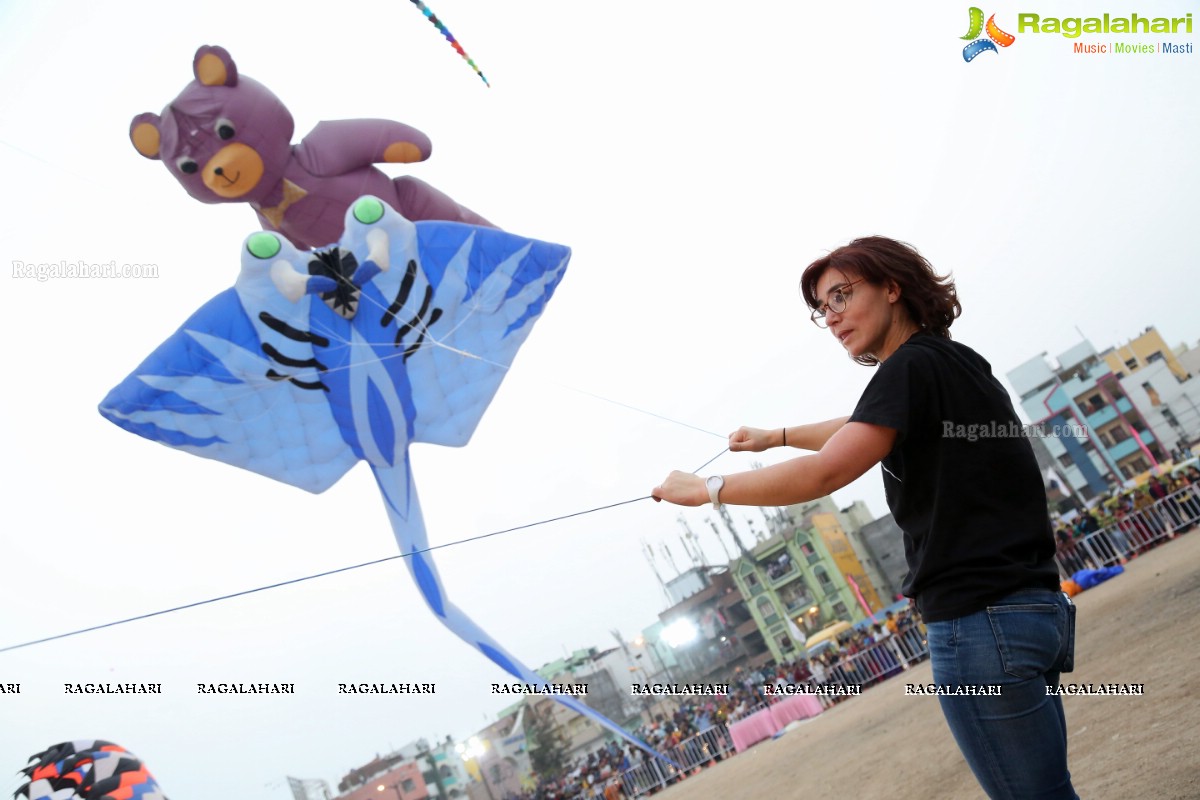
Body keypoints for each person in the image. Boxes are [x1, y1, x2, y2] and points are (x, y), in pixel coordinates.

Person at [652, 236, 1078, 800]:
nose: (831, 317)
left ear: (893, 287)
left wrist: (708, 489)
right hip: (1031, 610)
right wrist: (773, 438)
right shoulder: (948, 361)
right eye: (822, 308)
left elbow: (827, 472)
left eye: (842, 296)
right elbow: (862, 421)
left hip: (981, 622)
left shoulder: (909, 369)